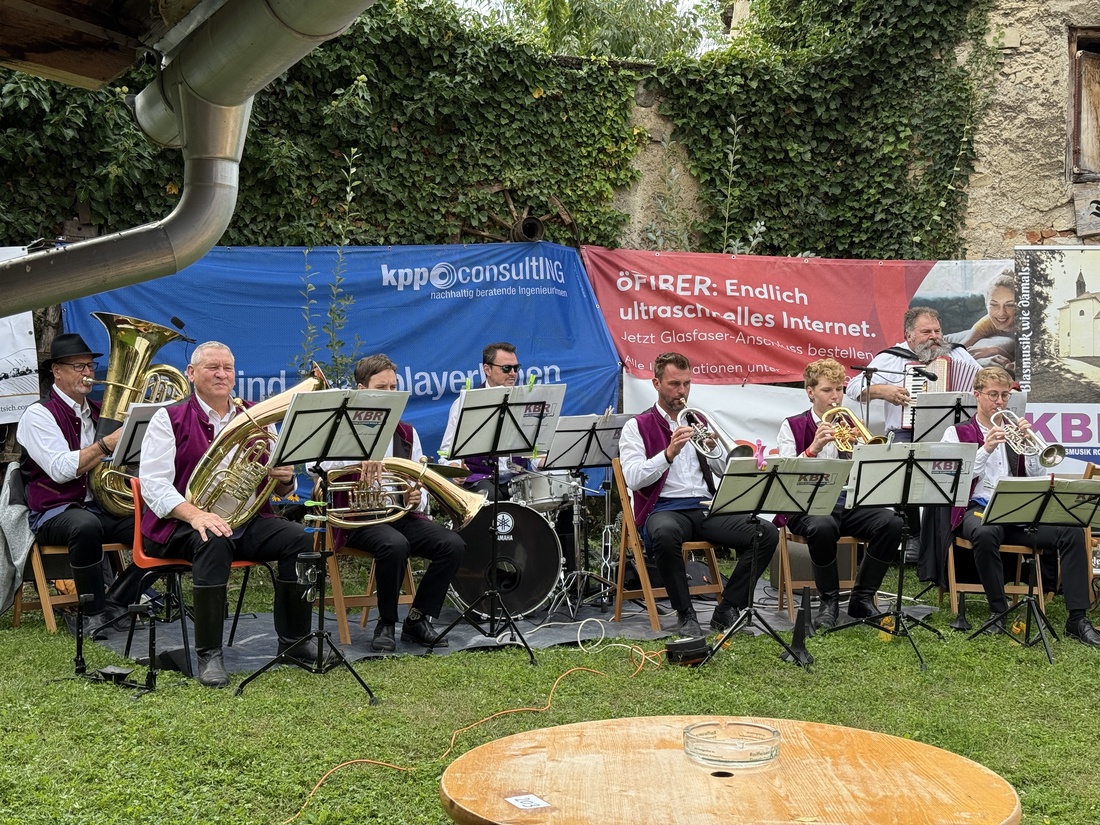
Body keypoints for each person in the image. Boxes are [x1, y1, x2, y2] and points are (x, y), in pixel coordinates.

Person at [139, 341, 322, 687]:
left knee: (299, 540)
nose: (222, 374)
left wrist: (285, 478)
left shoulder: (257, 416)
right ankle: (209, 654)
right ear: (191, 373)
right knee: (214, 538)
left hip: (246, 521)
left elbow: (282, 489)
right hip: (180, 524)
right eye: (212, 367)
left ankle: (295, 642)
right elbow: (154, 484)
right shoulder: (168, 418)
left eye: (227, 368)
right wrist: (196, 515)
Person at [618, 351, 777, 638]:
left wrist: (716, 450)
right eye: (674, 384)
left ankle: (728, 608)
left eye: (686, 384)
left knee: (764, 533)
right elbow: (633, 477)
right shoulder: (637, 426)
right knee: (665, 534)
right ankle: (685, 613)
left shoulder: (698, 420)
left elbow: (724, 470)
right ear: (656, 384)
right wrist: (668, 454)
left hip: (705, 507)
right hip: (663, 508)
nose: (682, 391)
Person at [942, 366, 1100, 645]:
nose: (1000, 401)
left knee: (1072, 531)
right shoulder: (957, 433)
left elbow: (1038, 476)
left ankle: (1077, 619)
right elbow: (954, 479)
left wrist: (1033, 448)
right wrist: (986, 448)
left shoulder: (1015, 432)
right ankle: (998, 610)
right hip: (976, 509)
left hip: (1018, 511)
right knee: (985, 532)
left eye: (1004, 395)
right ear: (977, 395)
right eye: (993, 395)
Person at [323, 354, 464, 652]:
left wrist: (416, 497)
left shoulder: (407, 433)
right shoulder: (340, 428)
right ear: (361, 389)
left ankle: (417, 619)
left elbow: (417, 486)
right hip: (356, 519)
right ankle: (386, 623)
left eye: (393, 387)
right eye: (381, 387)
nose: (389, 394)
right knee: (395, 544)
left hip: (397, 514)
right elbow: (317, 468)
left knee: (452, 544)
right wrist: (357, 457)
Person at [16, 333, 144, 638]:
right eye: (78, 366)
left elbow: (120, 465)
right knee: (85, 526)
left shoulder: (100, 413)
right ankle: (93, 614)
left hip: (99, 508)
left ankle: (117, 601)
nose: (87, 372)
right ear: (56, 371)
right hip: (54, 511)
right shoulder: (38, 415)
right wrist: (106, 444)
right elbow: (61, 471)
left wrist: (133, 448)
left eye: (89, 366)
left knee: (159, 526)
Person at [776, 358, 902, 628]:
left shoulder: (850, 425)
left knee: (891, 523)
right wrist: (813, 449)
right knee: (822, 526)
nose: (835, 397)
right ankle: (829, 601)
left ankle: (862, 598)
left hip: (846, 503)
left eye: (838, 389)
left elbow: (869, 475)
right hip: (806, 505)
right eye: (826, 390)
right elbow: (786, 474)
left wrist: (861, 451)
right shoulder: (793, 426)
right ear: (810, 392)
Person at [845, 306, 980, 439]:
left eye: (937, 331)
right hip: (905, 433)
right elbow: (853, 387)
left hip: (954, 431)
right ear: (909, 336)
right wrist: (883, 391)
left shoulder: (957, 353)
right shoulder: (891, 357)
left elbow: (986, 379)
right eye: (926, 332)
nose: (934, 336)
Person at [438, 341, 527, 500]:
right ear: (487, 369)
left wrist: (543, 461)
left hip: (517, 478)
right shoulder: (464, 403)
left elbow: (533, 450)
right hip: (480, 479)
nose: (513, 373)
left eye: (516, 368)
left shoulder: (526, 401)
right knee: (492, 496)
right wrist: (456, 469)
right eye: (506, 368)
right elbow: (447, 453)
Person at [947, 269, 1017, 372]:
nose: (1001, 313)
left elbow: (1017, 367)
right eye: (994, 304)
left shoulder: (1029, 324)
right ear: (986, 304)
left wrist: (996, 350)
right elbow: (959, 350)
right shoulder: (987, 321)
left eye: (1010, 305)